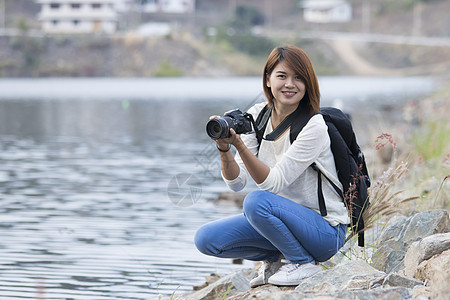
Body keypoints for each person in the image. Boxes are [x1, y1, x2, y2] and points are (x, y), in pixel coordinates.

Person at [194, 45, 349, 287]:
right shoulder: (257, 116)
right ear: (268, 80)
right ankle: (277, 260)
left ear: (308, 84)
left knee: (256, 202)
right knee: (206, 239)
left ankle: (302, 263)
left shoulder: (313, 126)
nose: (290, 84)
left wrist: (240, 146)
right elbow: (236, 183)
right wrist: (224, 148)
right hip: (281, 224)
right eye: (282, 76)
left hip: (325, 232)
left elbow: (272, 183)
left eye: (299, 78)